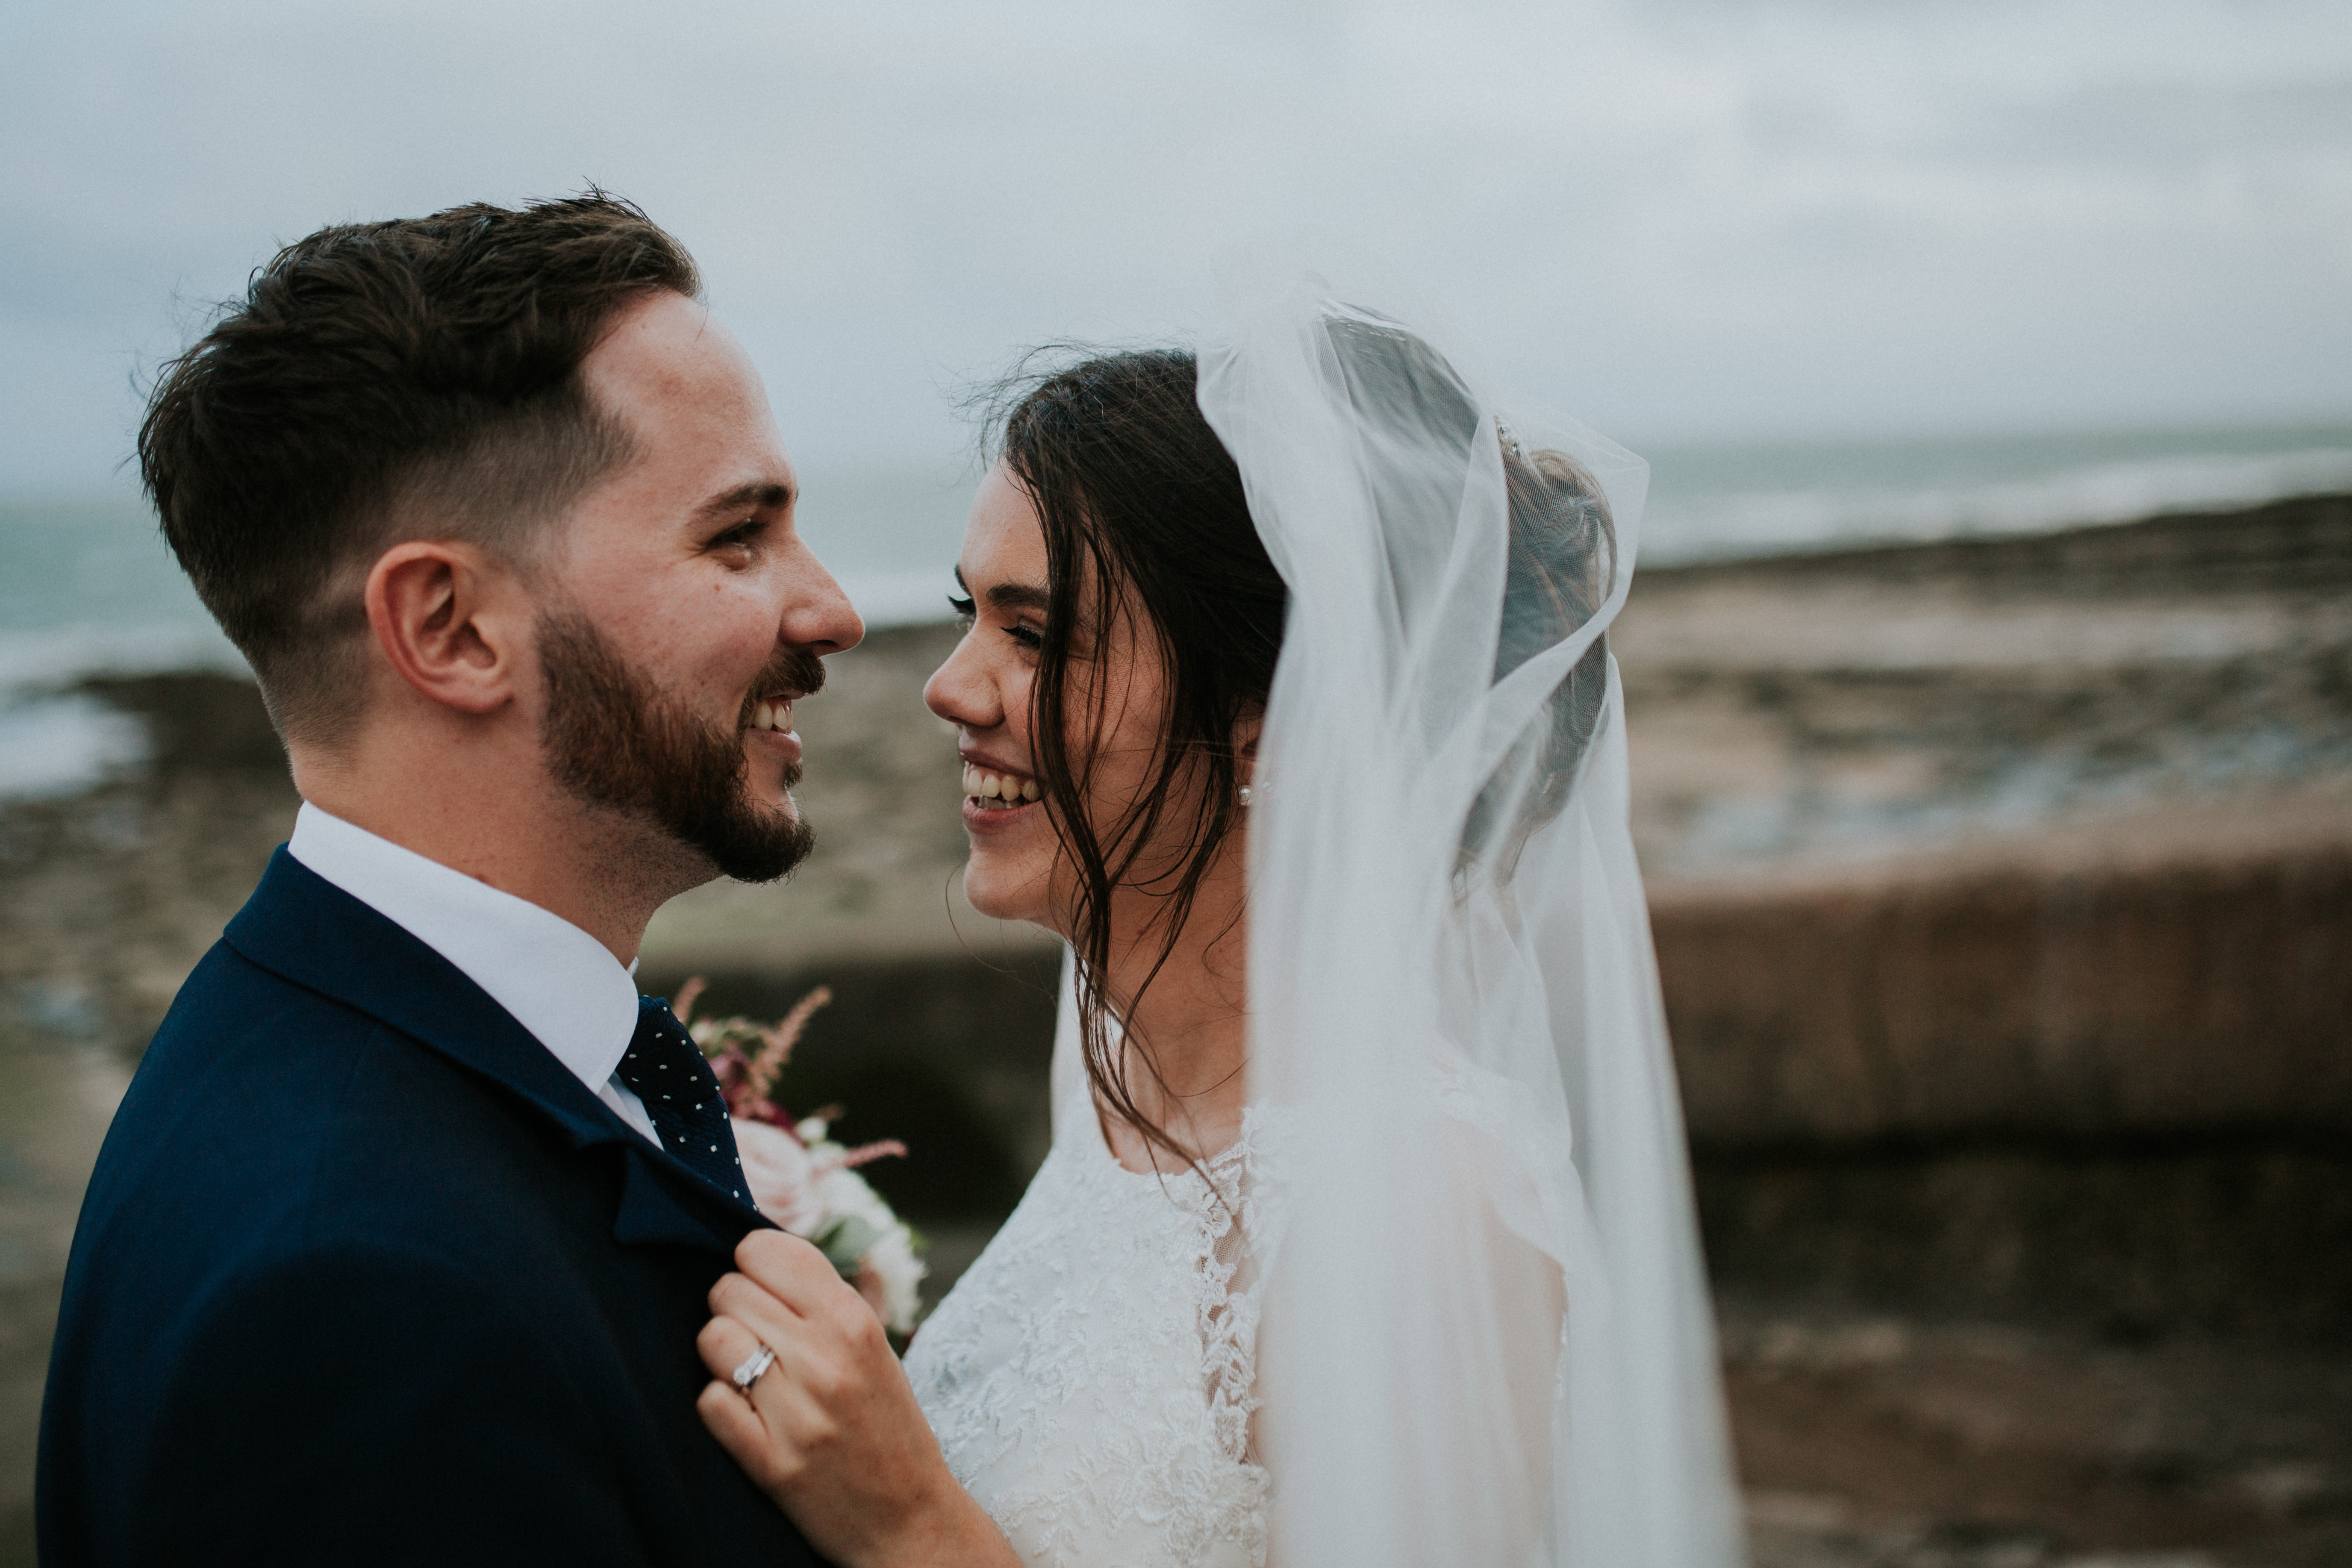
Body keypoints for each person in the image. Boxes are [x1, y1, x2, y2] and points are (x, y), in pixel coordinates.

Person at [698, 288, 1749, 1565]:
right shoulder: (1123, 1097)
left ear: (1280, 721)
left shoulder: (1420, 1212)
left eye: (1035, 634)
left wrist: (911, 1526)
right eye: (970, 611)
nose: (950, 686)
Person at [37, 194, 1010, 1568]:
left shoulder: (358, 1046)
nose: (834, 610)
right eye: (739, 535)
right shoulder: (358, 1298)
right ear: (451, 627)